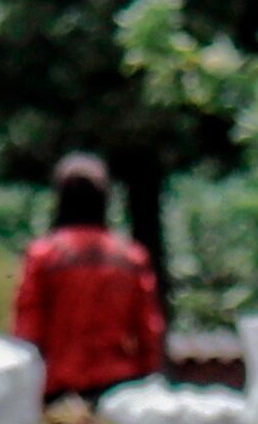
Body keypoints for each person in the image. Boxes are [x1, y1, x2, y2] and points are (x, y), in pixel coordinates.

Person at [11, 154, 165, 400]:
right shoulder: (131, 257)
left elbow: (27, 330)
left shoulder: (43, 256)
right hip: (118, 390)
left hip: (57, 390)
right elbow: (150, 329)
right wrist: (149, 379)